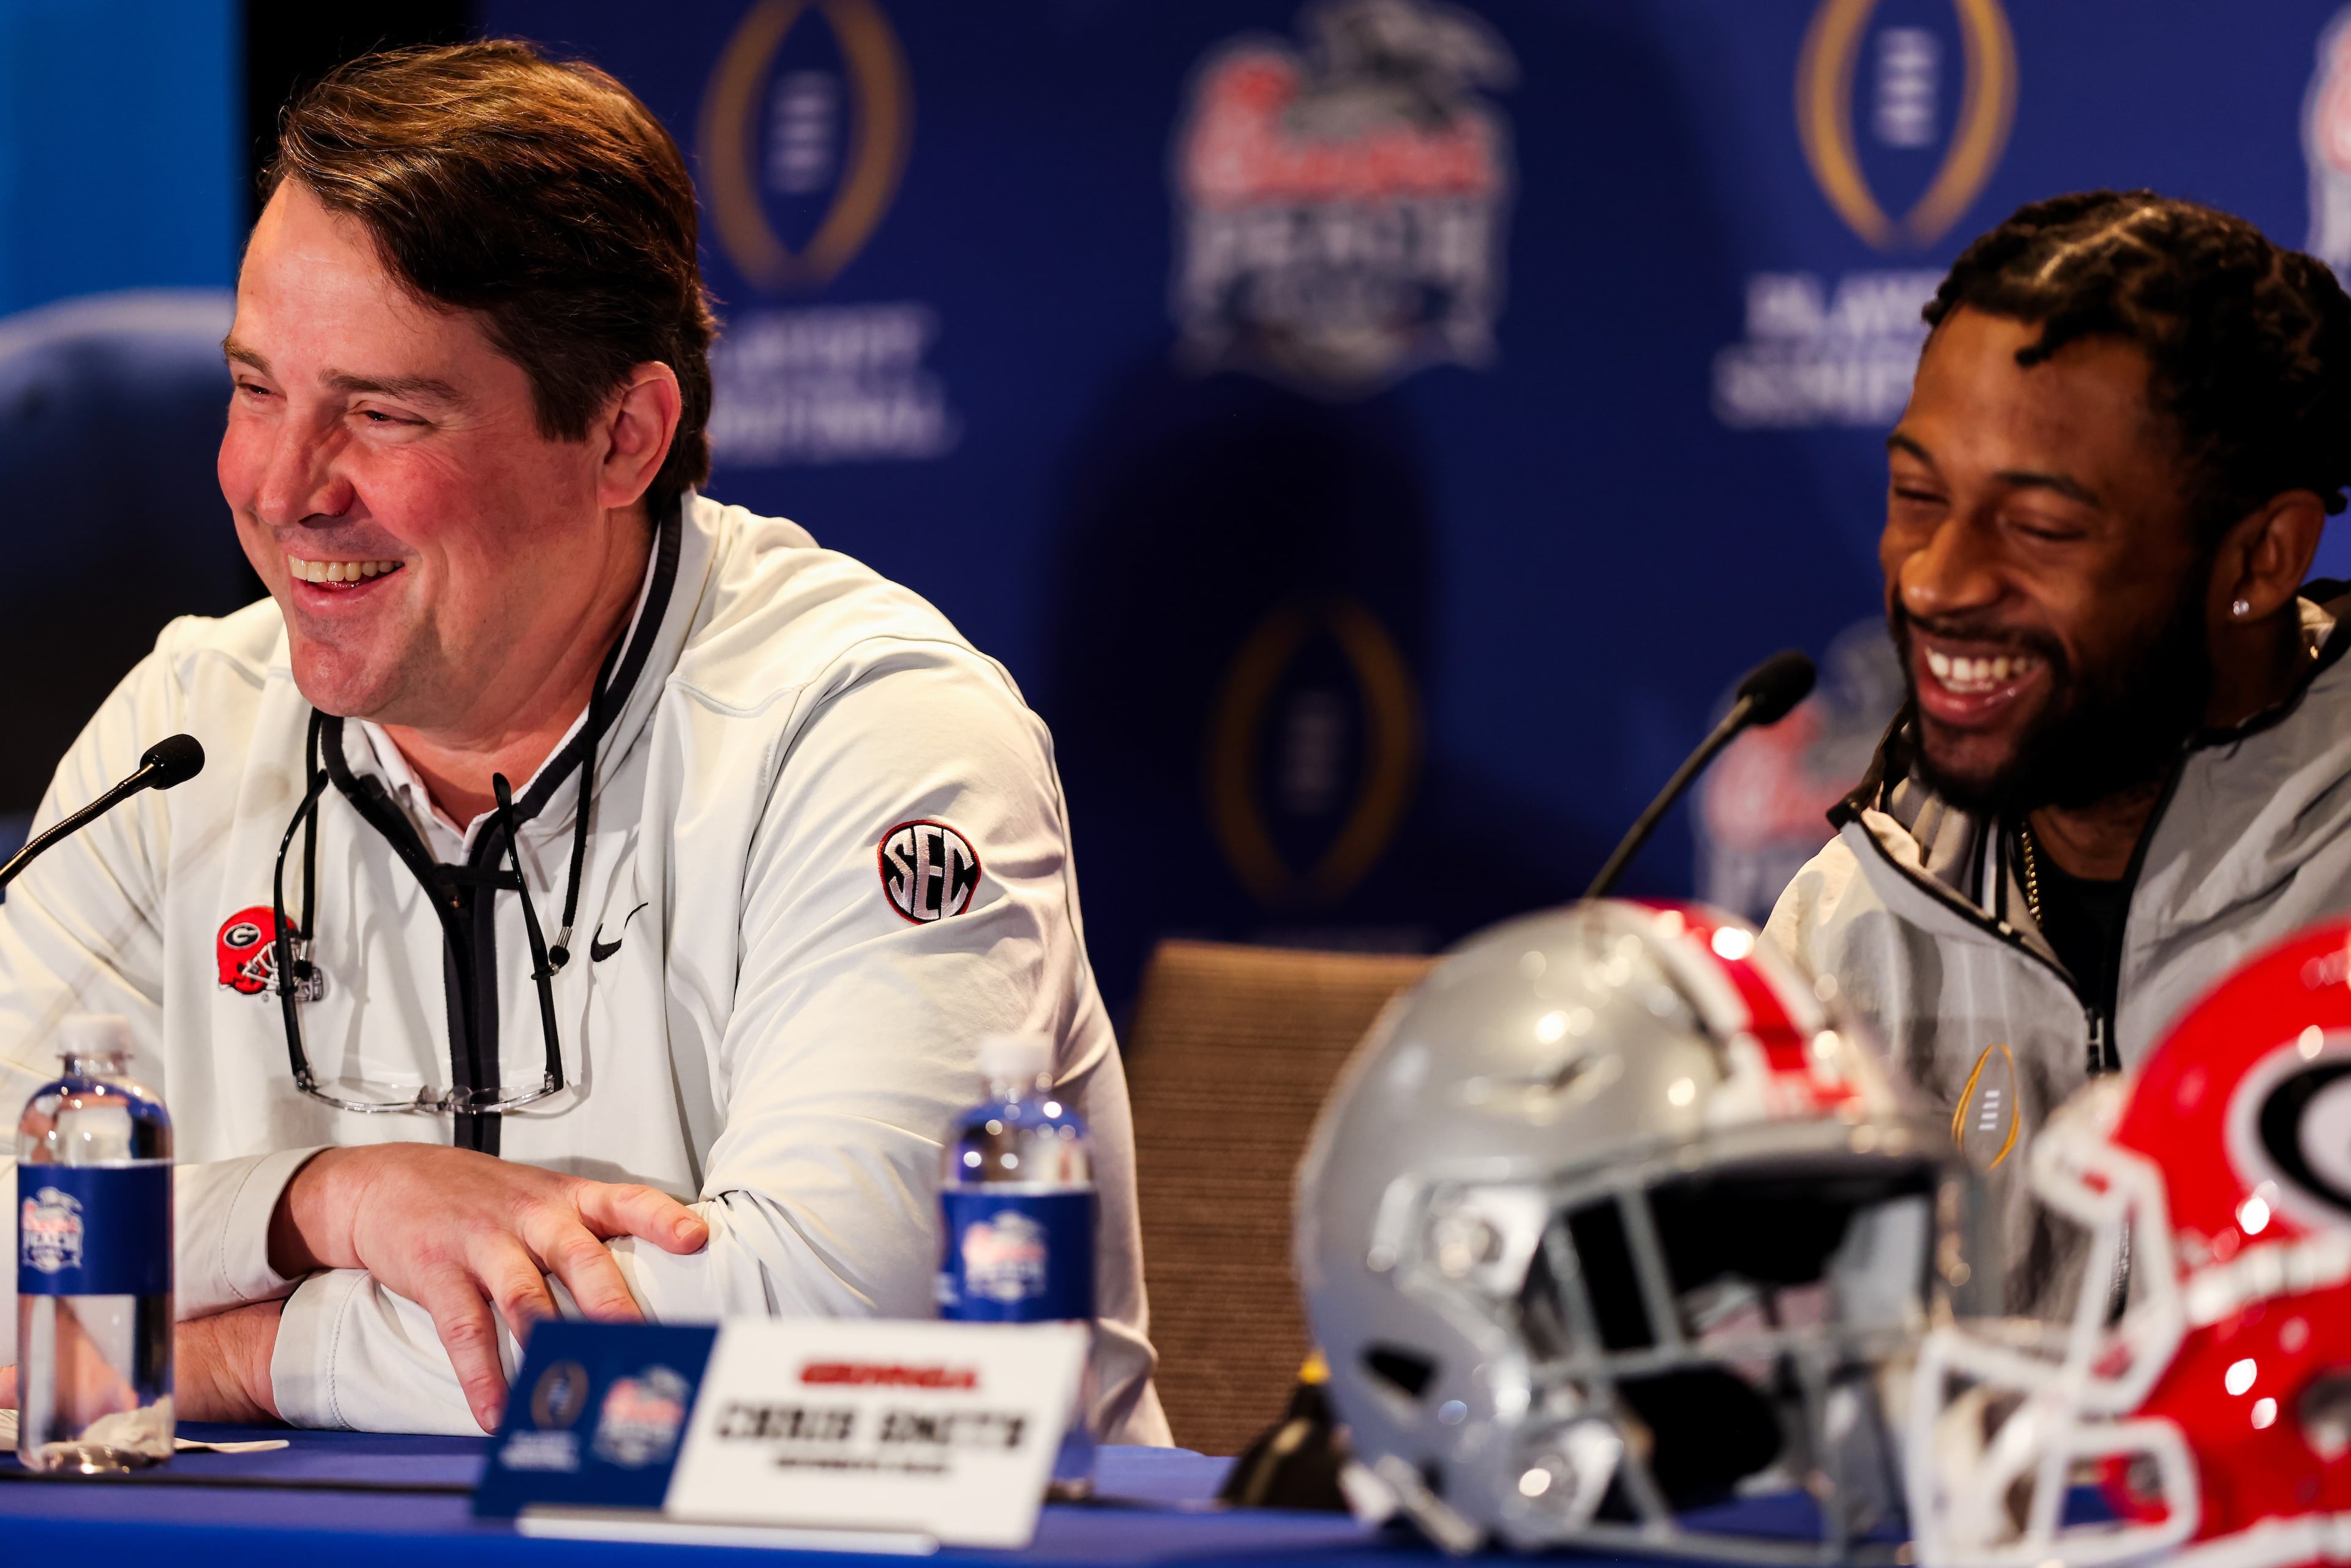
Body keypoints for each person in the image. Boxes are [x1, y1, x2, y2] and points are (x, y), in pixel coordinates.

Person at [0, 40, 1168, 1442]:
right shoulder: (191, 723)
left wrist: (242, 1354)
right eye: (257, 390)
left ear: (624, 436)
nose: (280, 487)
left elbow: (832, 1328)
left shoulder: (864, 730)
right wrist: (325, 1204)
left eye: (380, 414)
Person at [1766, 190, 2351, 1304]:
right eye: (1917, 495)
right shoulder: (1851, 931)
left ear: (2260, 561)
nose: (1935, 578)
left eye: (2038, 527)